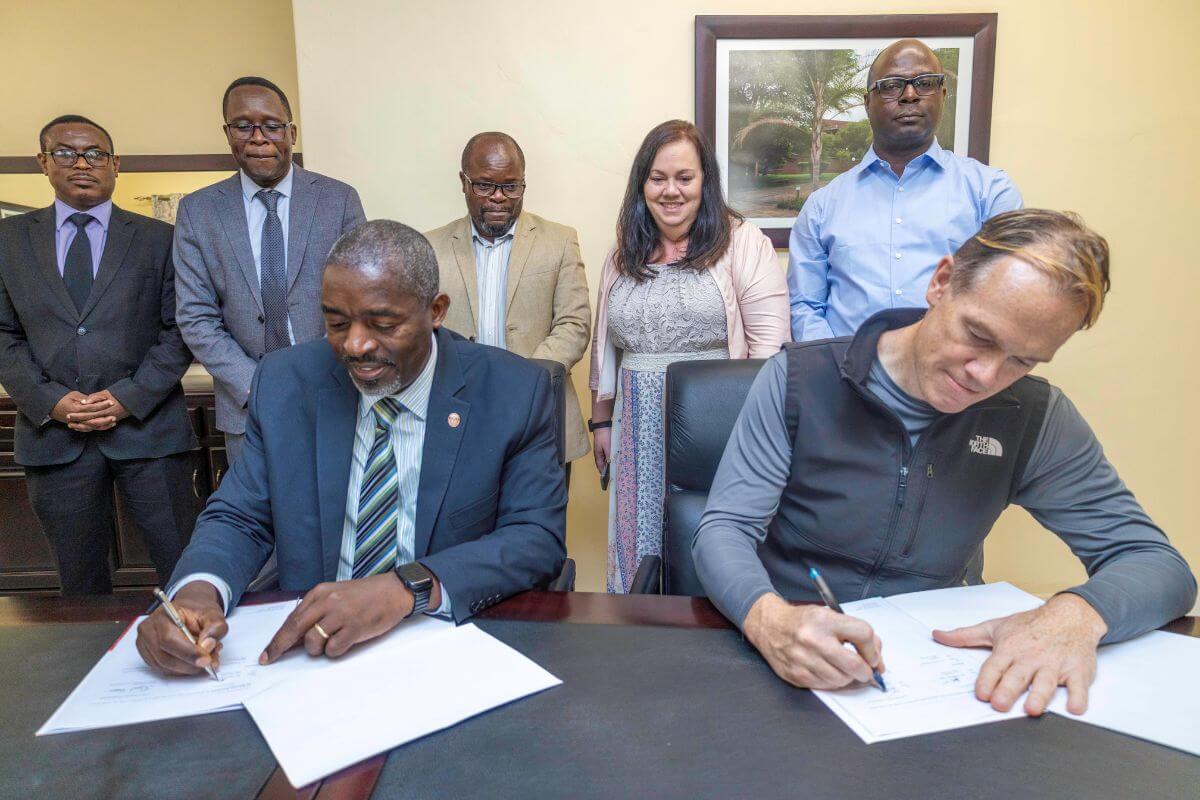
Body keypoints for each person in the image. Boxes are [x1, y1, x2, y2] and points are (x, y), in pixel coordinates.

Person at [693, 209, 1196, 717]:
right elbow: (725, 529)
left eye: (1022, 361)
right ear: (942, 282)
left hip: (937, 677)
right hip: (793, 647)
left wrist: (1076, 614)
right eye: (979, 335)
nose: (985, 375)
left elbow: (1160, 567)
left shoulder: (1035, 416)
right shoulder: (802, 379)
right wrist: (767, 618)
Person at [135, 220, 566, 674]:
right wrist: (198, 590)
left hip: (446, 647)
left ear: (436, 311)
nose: (355, 346)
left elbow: (534, 538)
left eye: (383, 324)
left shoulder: (513, 391)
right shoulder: (286, 383)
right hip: (314, 656)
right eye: (336, 323)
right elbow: (241, 516)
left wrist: (406, 588)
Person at [589, 119, 789, 593]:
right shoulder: (624, 254)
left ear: (706, 181)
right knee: (638, 550)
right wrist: (601, 423)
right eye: (658, 178)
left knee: (707, 545)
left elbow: (770, 350)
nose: (671, 191)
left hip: (715, 428)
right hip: (634, 429)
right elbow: (605, 348)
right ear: (642, 184)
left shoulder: (744, 243)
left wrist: (753, 438)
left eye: (685, 178)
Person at [0, 115, 196, 594]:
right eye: (65, 153)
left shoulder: (160, 239)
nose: (82, 164)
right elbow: (3, 335)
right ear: (43, 162)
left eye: (95, 154)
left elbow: (180, 330)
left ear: (115, 164)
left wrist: (129, 396)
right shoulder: (8, 241)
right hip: (55, 438)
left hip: (149, 432)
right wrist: (50, 401)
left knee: (185, 571)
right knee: (80, 585)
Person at [174, 76, 366, 462]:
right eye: (243, 126)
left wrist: (326, 376)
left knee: (342, 517)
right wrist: (256, 385)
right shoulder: (199, 211)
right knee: (261, 520)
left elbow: (361, 299)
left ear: (291, 132)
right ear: (227, 133)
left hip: (334, 400)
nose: (258, 137)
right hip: (248, 410)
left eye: (272, 125)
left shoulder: (338, 200)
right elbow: (195, 316)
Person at [788, 38, 1022, 342]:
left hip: (957, 378)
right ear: (867, 102)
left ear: (943, 94)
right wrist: (834, 372)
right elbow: (806, 305)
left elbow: (1006, 298)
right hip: (846, 378)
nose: (910, 95)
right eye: (891, 86)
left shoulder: (990, 193)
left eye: (924, 83)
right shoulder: (822, 206)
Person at [425, 132, 591, 466]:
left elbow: (574, 323)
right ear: (464, 182)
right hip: (458, 417)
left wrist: (523, 381)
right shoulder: (431, 247)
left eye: (511, 186)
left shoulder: (559, 241)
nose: (499, 197)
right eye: (485, 186)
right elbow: (421, 330)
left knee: (539, 518)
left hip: (539, 415)